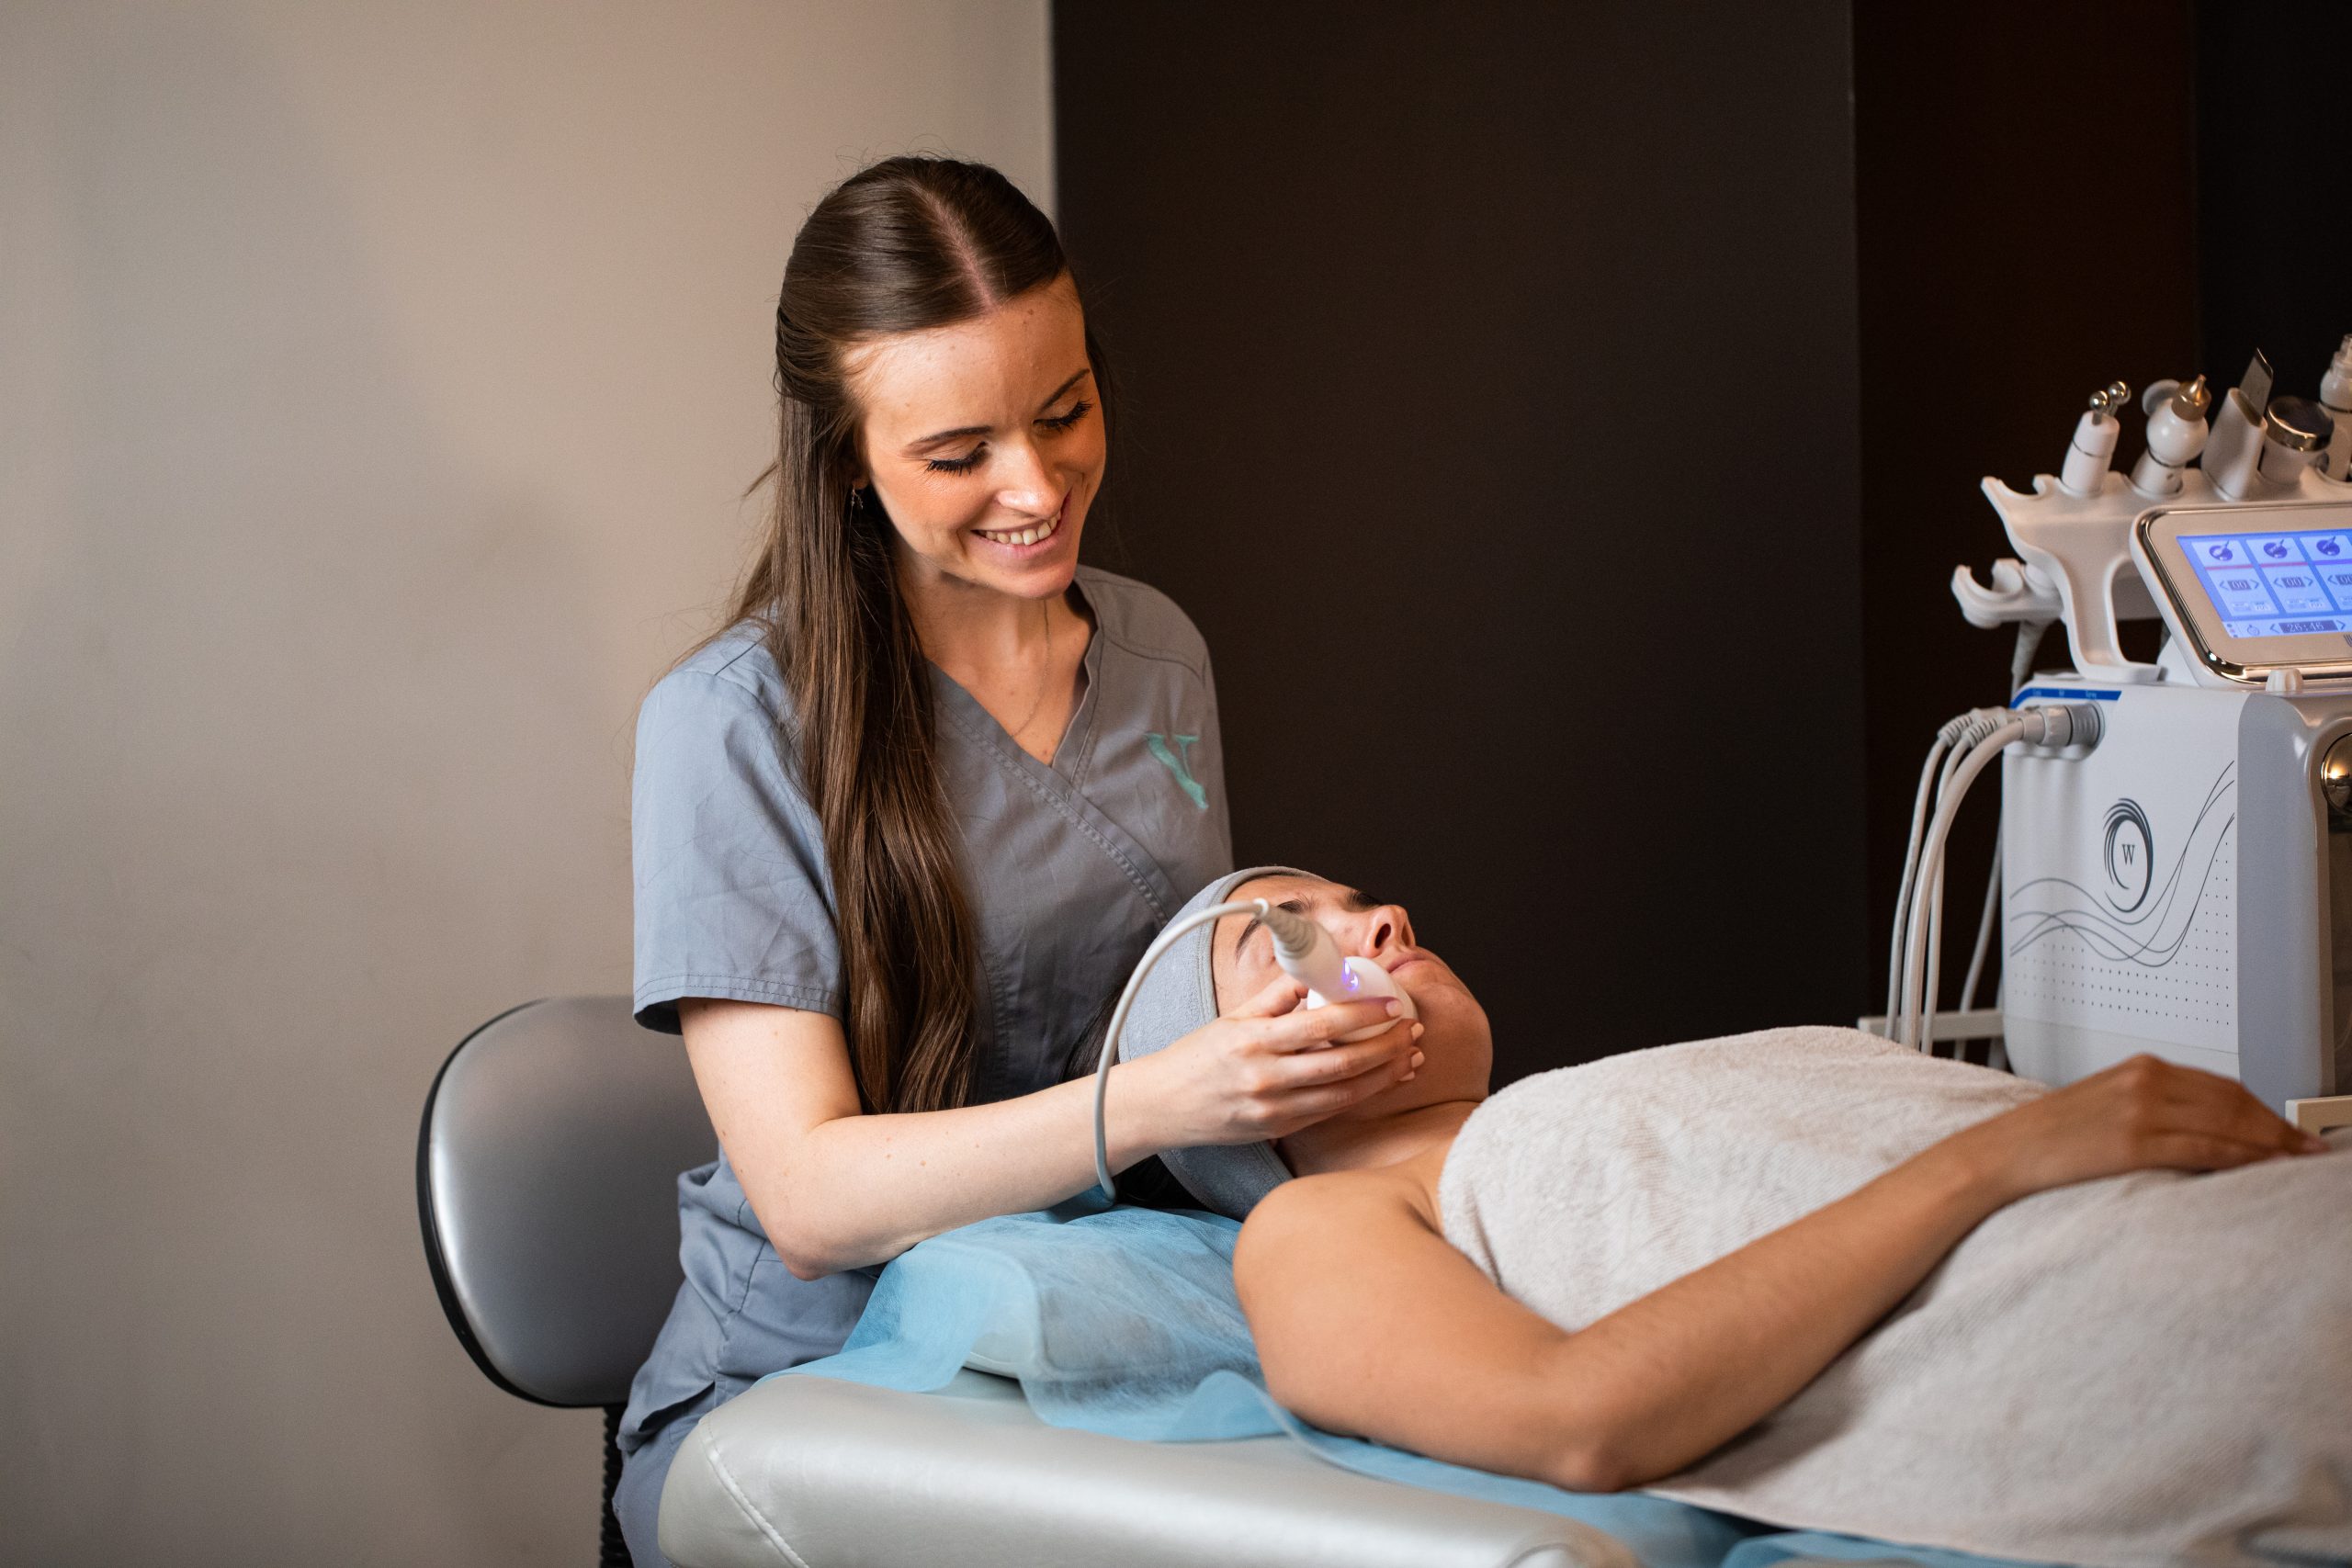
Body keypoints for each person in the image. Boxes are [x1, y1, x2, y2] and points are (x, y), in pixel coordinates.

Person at [614, 163, 1420, 1564]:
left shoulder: (1158, 653)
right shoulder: (731, 726)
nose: (1037, 488)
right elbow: (807, 1202)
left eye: (1065, 413)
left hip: (1097, 1315)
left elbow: (1192, 961)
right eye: (958, 454)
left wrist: (1324, 990)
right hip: (816, 1382)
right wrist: (1167, 1097)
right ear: (846, 462)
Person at [1115, 867, 2351, 1567]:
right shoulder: (1322, 1221)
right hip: (2188, 1306)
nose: (1380, 922)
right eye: (1287, 939)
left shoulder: (1624, 1092)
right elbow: (1575, 1421)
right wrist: (2003, 1156)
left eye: (1356, 900)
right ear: (1228, 1080)